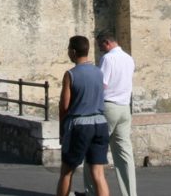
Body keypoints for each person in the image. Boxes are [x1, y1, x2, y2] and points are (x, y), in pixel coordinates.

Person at [57, 35, 110, 196]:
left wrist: (62, 129)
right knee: (98, 174)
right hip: (100, 123)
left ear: (73, 52)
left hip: (80, 125)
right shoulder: (98, 73)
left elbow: (64, 105)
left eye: (68, 49)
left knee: (67, 171)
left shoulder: (70, 74)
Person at [84, 32, 136, 196]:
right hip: (125, 108)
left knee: (93, 149)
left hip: (108, 107)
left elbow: (102, 85)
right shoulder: (129, 58)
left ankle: (92, 192)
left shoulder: (108, 59)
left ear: (106, 43)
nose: (100, 50)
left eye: (100, 46)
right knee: (124, 154)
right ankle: (130, 193)